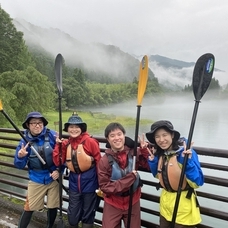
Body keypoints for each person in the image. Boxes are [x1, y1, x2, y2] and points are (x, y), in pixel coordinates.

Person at [145, 120, 204, 228]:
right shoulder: (161, 153)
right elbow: (159, 176)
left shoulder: (186, 153)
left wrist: (188, 162)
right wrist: (153, 162)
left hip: (183, 207)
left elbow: (197, 183)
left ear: (172, 135)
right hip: (165, 205)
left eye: (164, 135)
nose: (161, 140)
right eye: (157, 136)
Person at [97, 122, 150, 228]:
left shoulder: (134, 153)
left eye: (119, 134)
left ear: (124, 135)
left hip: (133, 200)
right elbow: (105, 187)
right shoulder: (104, 161)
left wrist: (144, 151)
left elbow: (149, 166)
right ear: (108, 139)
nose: (117, 138)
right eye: (112, 136)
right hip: (113, 202)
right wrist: (129, 179)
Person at [53, 114, 101, 228]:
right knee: (73, 216)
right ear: (67, 129)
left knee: (88, 214)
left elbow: (99, 162)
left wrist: (101, 183)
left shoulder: (90, 142)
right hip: (74, 182)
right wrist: (58, 146)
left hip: (90, 182)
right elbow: (57, 162)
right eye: (71, 127)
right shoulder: (66, 143)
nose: (74, 129)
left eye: (77, 127)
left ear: (82, 128)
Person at [14, 112, 59, 228]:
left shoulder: (53, 136)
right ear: (28, 125)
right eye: (33, 123)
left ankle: (50, 226)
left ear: (43, 124)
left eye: (39, 123)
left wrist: (59, 170)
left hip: (53, 177)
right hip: (36, 178)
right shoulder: (24, 142)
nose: (37, 125)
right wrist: (20, 157)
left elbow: (63, 156)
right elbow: (18, 165)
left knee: (52, 206)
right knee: (29, 207)